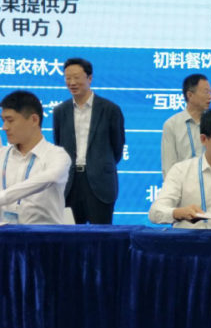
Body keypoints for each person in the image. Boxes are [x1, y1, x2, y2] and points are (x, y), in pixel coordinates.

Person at [53, 57, 125, 225]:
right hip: (70, 183)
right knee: (70, 235)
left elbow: (117, 147)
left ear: (90, 78)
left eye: (77, 77)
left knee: (101, 235)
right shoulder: (60, 111)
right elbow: (59, 145)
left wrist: (99, 164)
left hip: (100, 182)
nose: (72, 82)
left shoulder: (110, 109)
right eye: (68, 78)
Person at [0, 90, 71, 224]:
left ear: (34, 120)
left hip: (45, 235)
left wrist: (3, 197)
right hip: (4, 234)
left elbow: (50, 177)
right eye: (3, 121)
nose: (4, 127)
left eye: (10, 120)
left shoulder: (57, 156)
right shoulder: (2, 155)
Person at [161, 74, 211, 179]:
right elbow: (168, 166)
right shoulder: (172, 125)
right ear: (190, 95)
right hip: (183, 185)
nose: (210, 97)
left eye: (210, 92)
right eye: (206, 92)